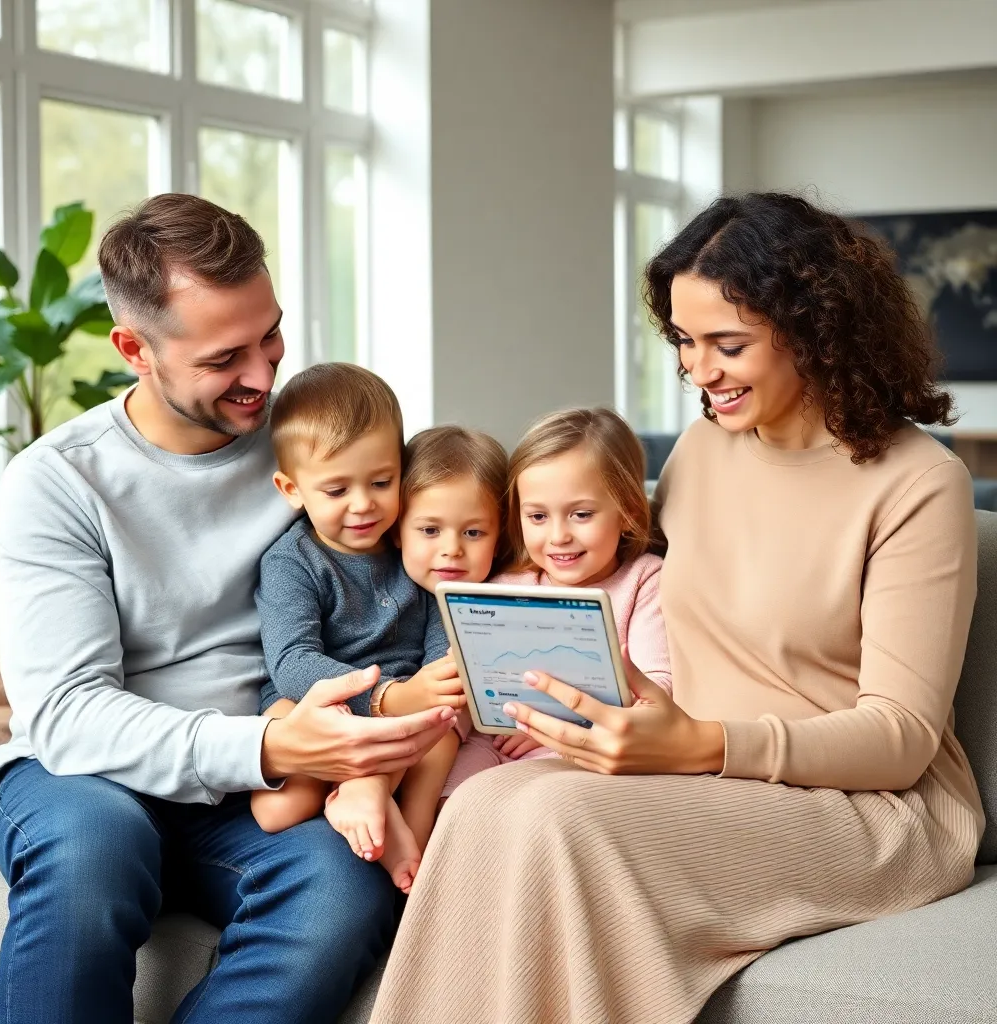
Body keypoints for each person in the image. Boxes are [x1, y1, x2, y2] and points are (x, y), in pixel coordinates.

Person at [368, 192, 985, 1024]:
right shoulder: (703, 448)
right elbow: (606, 568)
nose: (699, 371)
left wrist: (701, 744)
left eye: (728, 345)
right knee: (483, 805)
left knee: (557, 816)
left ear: (816, 330)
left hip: (865, 804)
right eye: (686, 343)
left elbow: (902, 737)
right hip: (685, 766)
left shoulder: (920, 485)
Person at [0, 194, 456, 1024]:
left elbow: (451, 521)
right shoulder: (58, 482)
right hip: (84, 780)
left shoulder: (313, 448)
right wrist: (269, 745)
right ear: (134, 349)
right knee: (93, 852)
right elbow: (67, 716)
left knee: (341, 889)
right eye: (224, 357)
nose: (263, 377)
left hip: (254, 795)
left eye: (271, 335)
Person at [250, 364, 465, 894]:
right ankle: (361, 785)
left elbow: (440, 635)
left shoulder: (413, 546)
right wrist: (387, 698)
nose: (364, 504)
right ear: (292, 489)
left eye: (382, 482)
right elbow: (292, 662)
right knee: (277, 811)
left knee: (440, 734)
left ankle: (409, 845)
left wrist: (429, 687)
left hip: (407, 703)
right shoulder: (292, 561)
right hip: (313, 699)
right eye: (336, 489)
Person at [440, 407, 672, 795]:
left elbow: (659, 686)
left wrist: (553, 722)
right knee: (452, 795)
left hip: (587, 748)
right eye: (537, 517)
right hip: (497, 740)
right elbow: (476, 683)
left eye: (581, 514)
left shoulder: (644, 580)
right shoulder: (508, 584)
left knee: (532, 800)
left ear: (627, 512)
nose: (558, 536)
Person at [390, 424, 509, 823]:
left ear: (500, 537)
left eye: (473, 532)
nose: (452, 549)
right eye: (430, 530)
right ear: (397, 530)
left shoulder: (501, 597)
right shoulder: (381, 591)